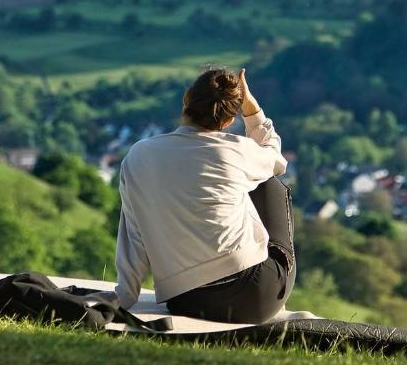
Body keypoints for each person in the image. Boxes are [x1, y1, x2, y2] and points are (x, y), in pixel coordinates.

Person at [115, 67, 296, 324]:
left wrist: (125, 294)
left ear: (186, 98)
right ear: (228, 121)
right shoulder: (237, 151)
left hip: (185, 300)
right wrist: (252, 110)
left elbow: (134, 232)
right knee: (268, 183)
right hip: (253, 297)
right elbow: (275, 158)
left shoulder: (139, 155)